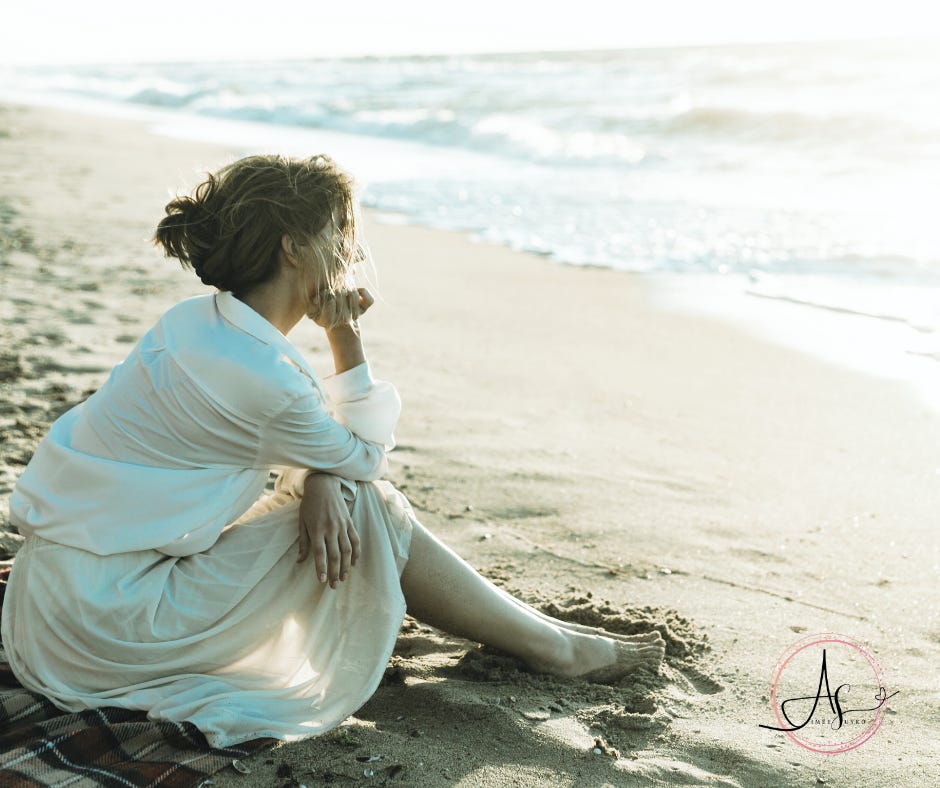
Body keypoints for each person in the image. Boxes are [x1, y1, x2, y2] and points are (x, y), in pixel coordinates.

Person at [1, 154, 664, 749]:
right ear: (294, 248)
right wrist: (345, 337)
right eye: (338, 231)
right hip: (108, 632)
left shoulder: (192, 324)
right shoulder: (265, 376)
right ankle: (557, 648)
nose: (352, 249)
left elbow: (303, 440)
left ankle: (550, 636)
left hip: (53, 608)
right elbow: (365, 456)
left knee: (343, 491)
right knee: (374, 507)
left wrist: (324, 473)